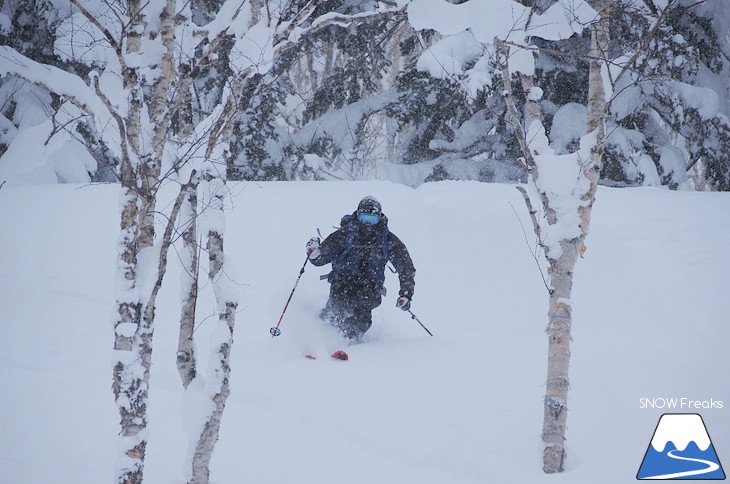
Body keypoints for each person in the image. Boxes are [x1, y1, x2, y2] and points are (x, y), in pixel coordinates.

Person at [305, 196, 415, 342]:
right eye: (364, 218)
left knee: (361, 319)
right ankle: (318, 336)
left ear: (379, 218)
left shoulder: (388, 240)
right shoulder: (344, 235)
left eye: (372, 219)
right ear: (357, 216)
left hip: (370, 287)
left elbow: (406, 267)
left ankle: (343, 342)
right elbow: (322, 258)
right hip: (342, 283)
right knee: (336, 312)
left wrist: (406, 294)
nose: (368, 224)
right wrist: (314, 255)